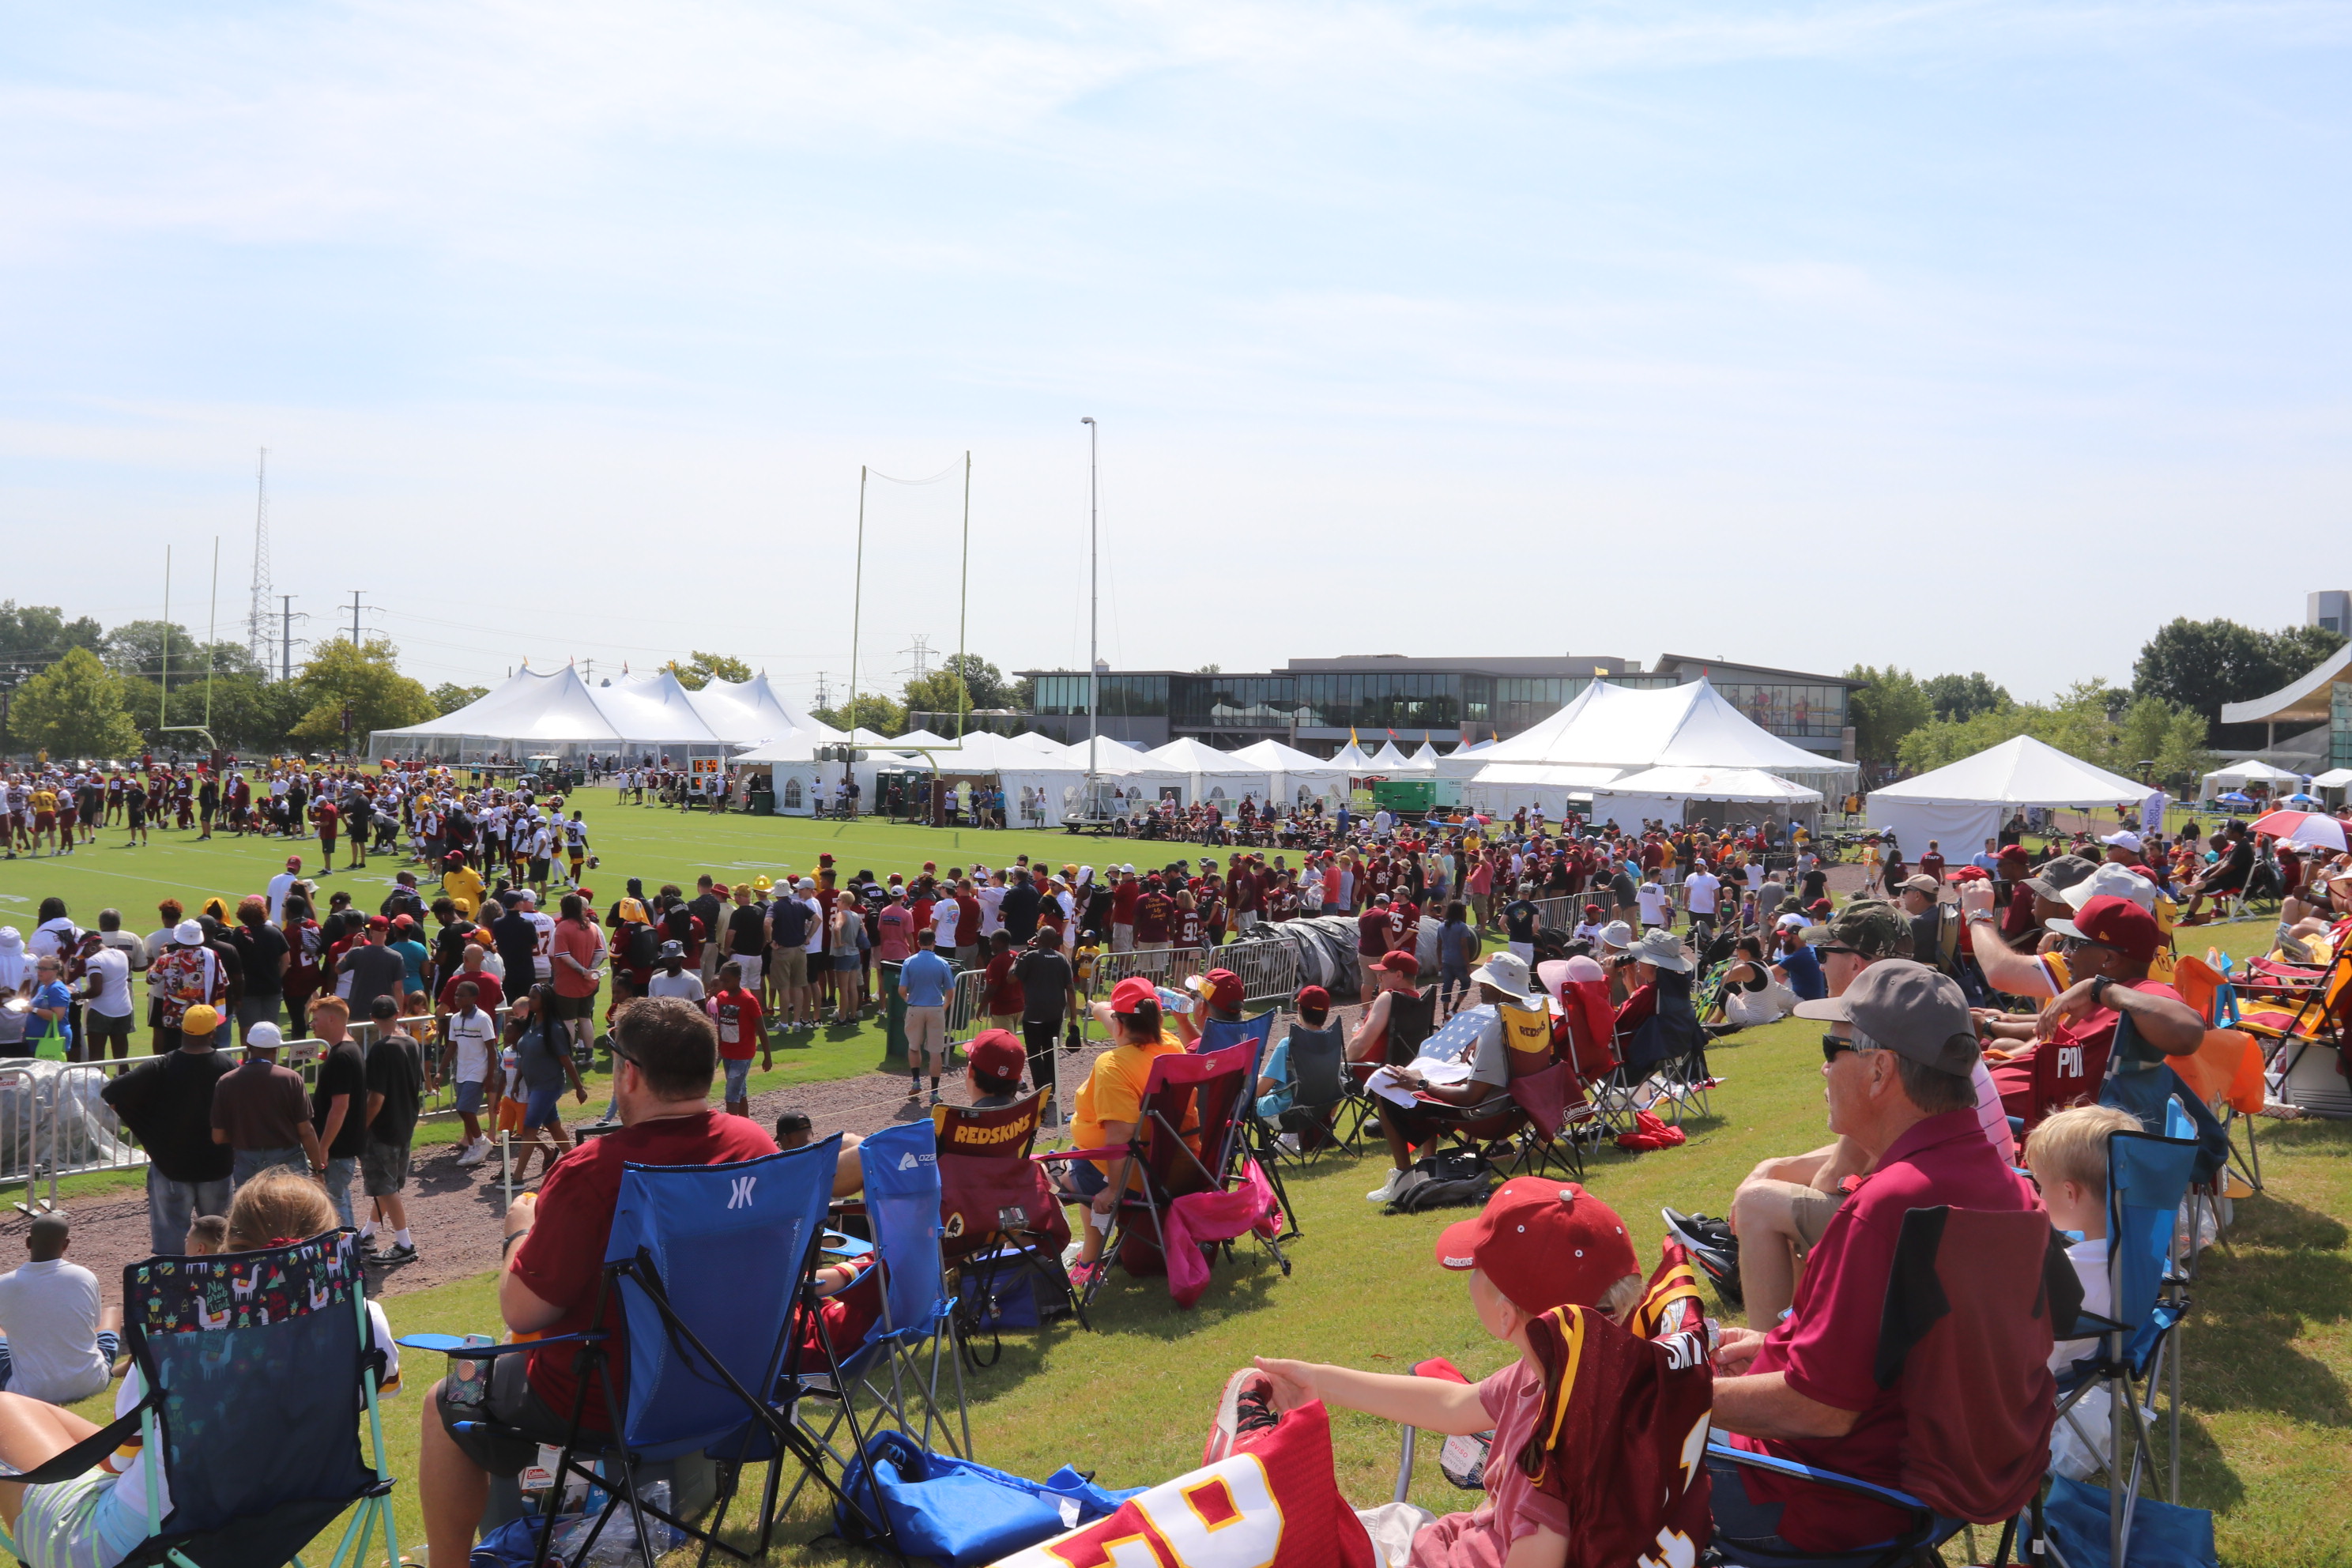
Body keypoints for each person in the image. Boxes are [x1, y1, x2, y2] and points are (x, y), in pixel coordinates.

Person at [416, 996, 775, 1568]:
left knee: (445, 1400)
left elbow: (523, 1313)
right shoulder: (753, 1144)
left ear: (629, 1073)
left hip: (610, 1402)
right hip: (729, 1386)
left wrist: (520, 1232)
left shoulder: (594, 1169)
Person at [1706, 961, 2038, 1558]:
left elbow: (1819, 1411)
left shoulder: (1889, 1206)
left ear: (1880, 1069)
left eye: (1831, 1050)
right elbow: (1919, 1352)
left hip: (1837, 1499)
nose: (1824, 1068)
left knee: (1604, 1446)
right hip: (1943, 1482)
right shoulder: (2006, 1184)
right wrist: (1778, 1346)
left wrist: (1669, 1394)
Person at [1241, 1180, 1682, 1568]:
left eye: (1476, 1269)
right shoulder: (1564, 1376)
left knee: (1277, 1542)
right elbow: (1452, 1405)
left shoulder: (1548, 1459)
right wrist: (1319, 1381)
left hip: (1443, 1557)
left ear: (1506, 1316)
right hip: (1454, 1540)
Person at [0, 1172, 401, 1568]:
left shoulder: (177, 1334)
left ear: (229, 1240)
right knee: (40, 1417)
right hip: (268, 1525)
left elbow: (118, 1463)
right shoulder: (364, 1320)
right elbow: (379, 1391)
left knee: (4, 1409)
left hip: (139, 1548)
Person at [2022, 1102, 2139, 1482]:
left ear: (2070, 1193)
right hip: (2092, 1361)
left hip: (2050, 1378)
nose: (2039, 1194)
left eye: (2041, 1185)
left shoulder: (2067, 1276)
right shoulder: (2140, 1256)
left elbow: (2034, 1371)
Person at [1363, 952, 1530, 1205]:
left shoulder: (1497, 1028)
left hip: (1486, 1114)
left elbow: (1470, 1097)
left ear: (1501, 988)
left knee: (1385, 1083)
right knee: (1415, 1081)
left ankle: (1403, 1178)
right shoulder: (1530, 1017)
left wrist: (1420, 1084)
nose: (1480, 985)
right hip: (1517, 1109)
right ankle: (1426, 1163)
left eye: (1486, 982)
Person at [1057, 976, 1190, 1293]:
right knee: (1077, 1161)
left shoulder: (1113, 1066)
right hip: (1174, 1165)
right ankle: (1093, 1252)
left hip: (1133, 1177)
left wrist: (1113, 1190)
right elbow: (1119, 1018)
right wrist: (1100, 1009)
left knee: (1049, 1175)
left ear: (1118, 1025)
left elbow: (1119, 1138)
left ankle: (1086, 1260)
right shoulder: (1172, 1045)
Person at [100, 1003, 236, 1254]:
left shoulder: (160, 1066)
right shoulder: (228, 1067)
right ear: (212, 1033)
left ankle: (171, 1279)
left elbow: (112, 1092)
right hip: (217, 1166)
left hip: (170, 1166)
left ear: (183, 1030)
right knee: (219, 1239)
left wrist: (145, 1127)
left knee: (170, 1243)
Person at [0, 1215, 119, 1406]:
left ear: (28, 1243)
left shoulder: (4, 1284)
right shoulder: (84, 1276)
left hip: (31, 1391)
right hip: (90, 1383)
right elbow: (94, 1325)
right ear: (66, 1244)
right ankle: (110, 1368)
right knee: (112, 1312)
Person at [209, 1021, 326, 1189]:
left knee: (251, 1206)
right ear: (276, 1049)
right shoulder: (291, 1079)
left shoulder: (226, 1081)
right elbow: (306, 1131)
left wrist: (244, 1139)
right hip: (288, 1161)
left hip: (247, 1162)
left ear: (248, 1046)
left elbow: (218, 1136)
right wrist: (318, 1169)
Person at [360, 994, 426, 1264]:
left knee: (386, 1188)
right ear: (398, 1014)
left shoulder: (380, 1049)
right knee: (388, 1186)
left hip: (383, 1127)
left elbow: (376, 1098)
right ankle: (367, 1234)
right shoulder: (412, 1043)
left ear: (373, 1018)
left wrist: (361, 1127)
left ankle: (404, 1244)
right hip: (405, 1122)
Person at [503, 985, 590, 1183]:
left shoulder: (554, 1029)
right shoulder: (532, 1023)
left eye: (534, 997)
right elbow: (525, 1056)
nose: (530, 1000)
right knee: (554, 1127)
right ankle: (578, 1166)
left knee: (529, 1128)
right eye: (529, 996)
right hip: (534, 1086)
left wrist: (579, 1087)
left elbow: (565, 1059)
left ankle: (517, 1178)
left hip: (549, 1085)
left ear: (545, 1002)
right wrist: (516, 1082)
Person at [309, 996, 368, 1229]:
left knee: (334, 1204)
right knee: (339, 1199)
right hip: (343, 1145)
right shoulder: (348, 1049)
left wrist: (323, 1147)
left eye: (316, 1019)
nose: (312, 1024)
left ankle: (345, 1247)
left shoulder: (342, 1055)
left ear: (332, 1020)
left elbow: (340, 1107)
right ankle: (350, 1245)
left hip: (337, 1147)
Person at [1012, 928, 1078, 1121]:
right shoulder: (1062, 959)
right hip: (1055, 1013)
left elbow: (1012, 978)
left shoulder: (1030, 957)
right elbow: (1071, 989)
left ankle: (1042, 1087)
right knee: (1050, 1050)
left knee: (1034, 1052)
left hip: (1033, 1013)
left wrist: (1018, 959)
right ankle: (1051, 1088)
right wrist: (1073, 1017)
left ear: (1039, 939)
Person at [443, 979, 500, 1167]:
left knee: (465, 1108)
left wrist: (490, 1076)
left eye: (462, 995)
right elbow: (451, 1047)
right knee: (463, 1110)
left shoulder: (483, 1019)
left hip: (478, 1070)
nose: (457, 998)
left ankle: (481, 1143)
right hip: (462, 1070)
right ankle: (474, 1146)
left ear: (474, 998)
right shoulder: (455, 1019)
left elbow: (491, 1050)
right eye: (456, 995)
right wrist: (440, 1072)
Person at [899, 929, 956, 1108]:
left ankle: (916, 1081)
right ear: (934, 942)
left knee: (913, 1046)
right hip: (935, 1009)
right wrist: (943, 1007)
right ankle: (934, 1093)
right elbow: (950, 992)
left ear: (918, 942)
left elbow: (902, 990)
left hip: (915, 1008)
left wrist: (909, 1000)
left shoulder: (909, 962)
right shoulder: (942, 963)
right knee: (935, 1052)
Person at [707, 959, 768, 1118]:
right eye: (722, 980)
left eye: (727, 981)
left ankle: (732, 1127)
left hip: (743, 1054)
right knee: (740, 1091)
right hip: (728, 1052)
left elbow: (762, 1030)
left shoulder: (749, 1000)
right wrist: (718, 1049)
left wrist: (767, 1057)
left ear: (738, 979)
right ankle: (745, 1123)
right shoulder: (721, 997)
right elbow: (721, 1025)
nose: (723, 984)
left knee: (731, 1093)